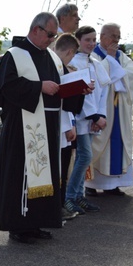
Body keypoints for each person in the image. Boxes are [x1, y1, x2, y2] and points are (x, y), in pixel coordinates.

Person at [0, 12, 85, 243]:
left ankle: (36, 222)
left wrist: (78, 89)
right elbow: (3, 89)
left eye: (54, 35)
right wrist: (38, 87)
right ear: (36, 30)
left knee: (45, 175)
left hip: (49, 126)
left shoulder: (52, 57)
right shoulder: (15, 55)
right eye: (50, 34)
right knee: (23, 176)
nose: (53, 39)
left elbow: (60, 88)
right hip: (24, 127)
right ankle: (19, 225)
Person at [85, 23, 133, 197]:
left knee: (118, 142)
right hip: (101, 107)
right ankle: (90, 183)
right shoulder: (93, 56)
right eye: (112, 36)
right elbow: (99, 77)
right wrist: (110, 59)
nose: (116, 40)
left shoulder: (121, 56)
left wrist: (114, 60)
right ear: (102, 37)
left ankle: (113, 184)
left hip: (118, 109)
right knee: (95, 144)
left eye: (118, 36)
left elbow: (130, 73)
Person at [65, 26, 109, 215]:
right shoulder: (73, 62)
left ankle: (78, 195)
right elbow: (78, 95)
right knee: (84, 157)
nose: (91, 43)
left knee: (85, 158)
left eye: (93, 40)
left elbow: (103, 91)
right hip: (81, 118)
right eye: (87, 40)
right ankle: (70, 196)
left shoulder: (96, 62)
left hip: (93, 119)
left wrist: (101, 115)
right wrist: (93, 115)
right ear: (78, 41)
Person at [52, 33, 81, 220]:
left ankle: (59, 206)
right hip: (56, 127)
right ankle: (56, 208)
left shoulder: (62, 67)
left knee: (62, 171)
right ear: (70, 52)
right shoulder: (56, 66)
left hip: (62, 125)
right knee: (58, 171)